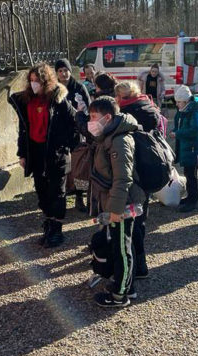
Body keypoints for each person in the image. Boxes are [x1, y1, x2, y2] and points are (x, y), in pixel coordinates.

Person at [83, 96, 146, 307]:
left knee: (122, 248)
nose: (90, 121)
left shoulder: (119, 140)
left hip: (122, 205)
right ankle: (126, 286)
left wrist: (115, 210)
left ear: (107, 117)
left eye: (94, 117)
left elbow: (122, 179)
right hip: (115, 203)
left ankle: (120, 295)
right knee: (120, 245)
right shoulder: (108, 136)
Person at [8, 62, 77, 248]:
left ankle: (56, 229)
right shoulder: (26, 101)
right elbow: (23, 130)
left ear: (46, 81)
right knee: (42, 191)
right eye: (31, 80)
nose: (34, 84)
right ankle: (48, 223)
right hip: (35, 152)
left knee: (57, 192)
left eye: (37, 80)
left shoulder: (59, 100)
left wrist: (66, 145)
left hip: (56, 153)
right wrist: (22, 154)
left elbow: (74, 123)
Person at [114, 80, 161, 279]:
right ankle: (141, 265)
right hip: (150, 169)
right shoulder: (149, 107)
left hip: (134, 172)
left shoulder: (127, 114)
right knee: (141, 219)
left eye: (117, 96)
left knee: (130, 223)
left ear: (122, 97)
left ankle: (133, 268)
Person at [55, 58, 91, 213]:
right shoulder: (53, 89)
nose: (64, 73)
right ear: (56, 73)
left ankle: (79, 196)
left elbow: (88, 108)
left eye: (66, 70)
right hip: (59, 132)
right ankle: (62, 194)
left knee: (79, 167)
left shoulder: (79, 88)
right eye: (60, 71)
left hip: (77, 131)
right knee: (61, 165)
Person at [170, 85, 198, 213]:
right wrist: (175, 131)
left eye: (179, 102)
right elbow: (179, 126)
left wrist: (178, 133)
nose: (177, 104)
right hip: (187, 148)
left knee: (192, 174)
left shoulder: (194, 111)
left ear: (186, 101)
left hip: (194, 148)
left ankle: (193, 199)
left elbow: (195, 129)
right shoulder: (182, 111)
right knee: (188, 173)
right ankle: (191, 196)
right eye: (177, 102)